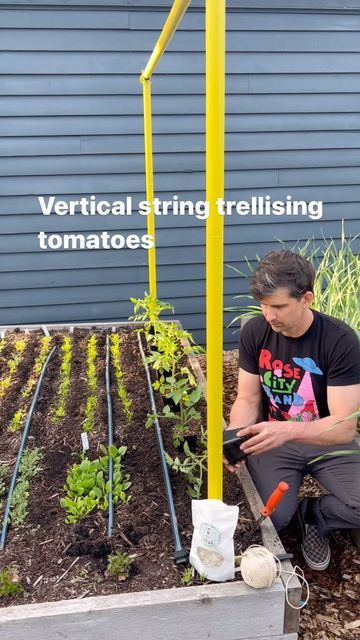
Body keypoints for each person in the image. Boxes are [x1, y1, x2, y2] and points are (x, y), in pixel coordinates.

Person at [224, 249, 360, 571]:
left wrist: (285, 428)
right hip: (275, 442)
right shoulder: (255, 332)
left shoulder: (339, 340)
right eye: (263, 305)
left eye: (279, 306)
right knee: (274, 518)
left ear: (306, 298)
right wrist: (235, 439)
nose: (269, 315)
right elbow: (247, 399)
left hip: (327, 441)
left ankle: (315, 516)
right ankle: (295, 517)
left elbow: (343, 426)